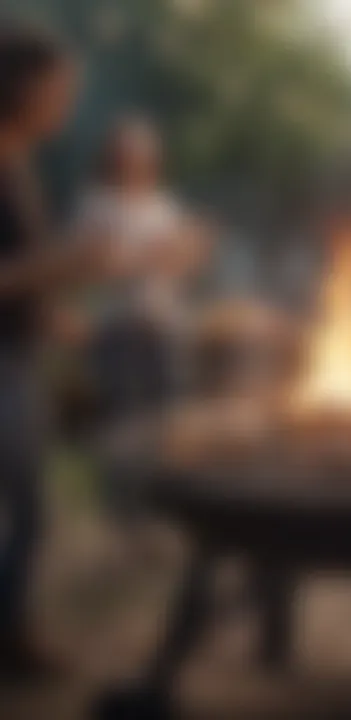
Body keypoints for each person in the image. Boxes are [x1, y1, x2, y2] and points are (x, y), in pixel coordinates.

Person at [0, 23, 113, 675]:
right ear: (19, 86)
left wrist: (53, 318)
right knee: (27, 512)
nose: (66, 98)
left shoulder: (18, 163)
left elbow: (20, 274)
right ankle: (12, 634)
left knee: (27, 511)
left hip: (16, 358)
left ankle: (12, 629)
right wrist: (64, 267)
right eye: (57, 85)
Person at [73, 117, 210, 519]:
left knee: (169, 419)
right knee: (125, 423)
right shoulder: (96, 204)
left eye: (146, 153)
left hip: (166, 325)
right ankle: (122, 512)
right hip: (119, 328)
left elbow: (182, 265)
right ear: (114, 157)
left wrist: (193, 250)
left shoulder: (163, 204)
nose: (137, 161)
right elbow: (94, 266)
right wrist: (156, 256)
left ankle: (161, 504)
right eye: (129, 153)